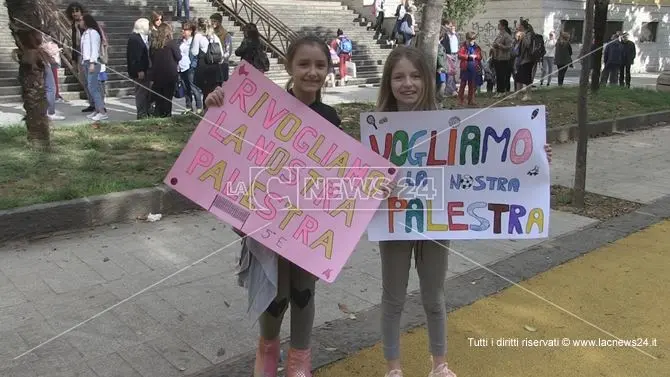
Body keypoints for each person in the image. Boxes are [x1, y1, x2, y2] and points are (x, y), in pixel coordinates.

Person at [373, 45, 553, 377]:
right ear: (389, 82)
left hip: (439, 220)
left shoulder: (448, 124)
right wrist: (371, 185)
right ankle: (393, 367)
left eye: (415, 76)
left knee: (434, 295)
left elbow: (490, 156)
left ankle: (440, 364)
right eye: (398, 76)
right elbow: (363, 179)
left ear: (427, 80)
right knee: (393, 298)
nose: (407, 83)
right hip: (395, 222)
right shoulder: (375, 130)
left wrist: (535, 158)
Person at [204, 34, 342, 377]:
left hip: (309, 222)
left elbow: (339, 173)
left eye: (320, 65)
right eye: (304, 64)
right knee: (274, 291)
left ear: (328, 69)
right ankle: (267, 354)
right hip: (267, 219)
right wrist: (216, 105)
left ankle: (299, 361)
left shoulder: (330, 116)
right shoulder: (263, 107)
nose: (312, 72)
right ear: (289, 66)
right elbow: (228, 144)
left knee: (303, 292)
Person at [66, 2, 94, 113]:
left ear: (81, 11)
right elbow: (74, 43)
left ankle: (98, 104)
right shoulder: (73, 25)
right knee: (85, 81)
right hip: (79, 55)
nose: (75, 13)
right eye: (72, 12)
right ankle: (91, 103)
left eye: (76, 11)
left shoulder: (86, 22)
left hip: (89, 55)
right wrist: (73, 59)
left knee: (92, 81)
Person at [79, 14, 107, 121]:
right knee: (90, 86)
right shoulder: (85, 33)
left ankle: (102, 111)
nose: (80, 22)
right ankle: (96, 109)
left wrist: (92, 62)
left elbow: (94, 49)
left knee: (93, 87)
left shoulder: (93, 33)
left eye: (82, 20)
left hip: (93, 63)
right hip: (86, 62)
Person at [149, 23, 181, 117]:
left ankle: (158, 113)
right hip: (169, 74)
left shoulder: (154, 44)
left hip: (157, 74)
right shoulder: (171, 43)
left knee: (159, 96)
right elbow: (178, 56)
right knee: (168, 96)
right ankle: (167, 114)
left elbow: (151, 57)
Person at [126, 18, 152, 119]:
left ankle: (147, 111)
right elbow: (135, 57)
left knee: (146, 92)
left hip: (147, 69)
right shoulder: (134, 39)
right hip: (140, 70)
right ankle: (141, 114)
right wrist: (139, 70)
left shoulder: (144, 37)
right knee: (141, 93)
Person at [457, 31, 482, 106]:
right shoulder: (463, 46)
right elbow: (459, 55)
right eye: (470, 40)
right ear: (467, 39)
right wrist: (468, 56)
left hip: (473, 67)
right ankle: (460, 100)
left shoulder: (476, 47)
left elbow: (480, 56)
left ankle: (471, 100)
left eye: (473, 40)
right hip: (465, 67)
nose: (472, 41)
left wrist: (476, 56)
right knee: (463, 84)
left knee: (472, 85)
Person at [491, 19, 513, 98]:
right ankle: (498, 91)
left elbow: (509, 47)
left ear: (503, 26)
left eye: (499, 24)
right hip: (497, 57)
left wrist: (500, 45)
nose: (498, 25)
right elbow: (495, 43)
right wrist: (494, 45)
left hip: (504, 58)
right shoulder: (500, 34)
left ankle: (502, 91)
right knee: (498, 75)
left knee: (502, 75)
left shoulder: (507, 35)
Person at [210, 13, 233, 83]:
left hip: (223, 64)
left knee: (223, 84)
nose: (212, 23)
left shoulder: (226, 34)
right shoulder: (211, 33)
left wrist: (222, 58)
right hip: (212, 63)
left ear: (219, 22)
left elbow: (228, 51)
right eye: (212, 21)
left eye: (214, 21)